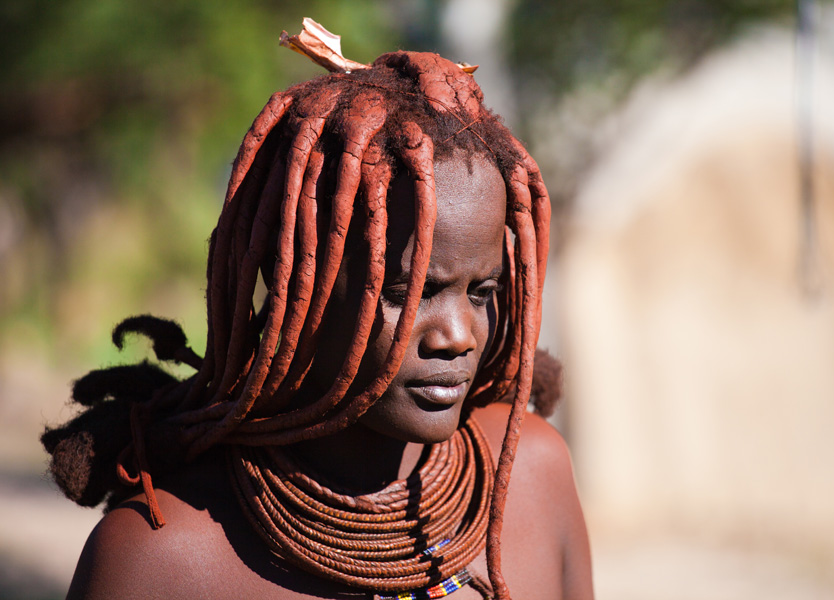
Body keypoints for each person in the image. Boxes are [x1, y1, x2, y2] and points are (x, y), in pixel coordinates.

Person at [42, 20, 593, 600]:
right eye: (408, 294)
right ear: (298, 287)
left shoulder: (533, 477)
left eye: (480, 292)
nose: (457, 336)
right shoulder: (161, 559)